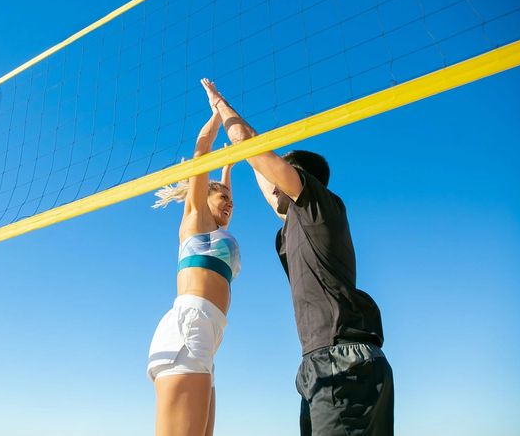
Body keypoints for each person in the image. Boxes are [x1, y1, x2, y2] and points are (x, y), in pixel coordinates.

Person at [201, 79, 393, 435]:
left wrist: (221, 106)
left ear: (300, 179)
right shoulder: (296, 220)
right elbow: (261, 170)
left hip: (343, 361)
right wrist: (240, 149)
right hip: (322, 362)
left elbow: (255, 149)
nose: (272, 185)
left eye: (280, 177)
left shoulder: (319, 205)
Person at [147, 78, 240, 436]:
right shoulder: (197, 219)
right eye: (223, 200)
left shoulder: (219, 231)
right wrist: (217, 112)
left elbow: (224, 184)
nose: (230, 205)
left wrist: (230, 167)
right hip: (189, 326)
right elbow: (202, 154)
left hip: (209, 333)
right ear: (205, 200)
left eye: (231, 201)